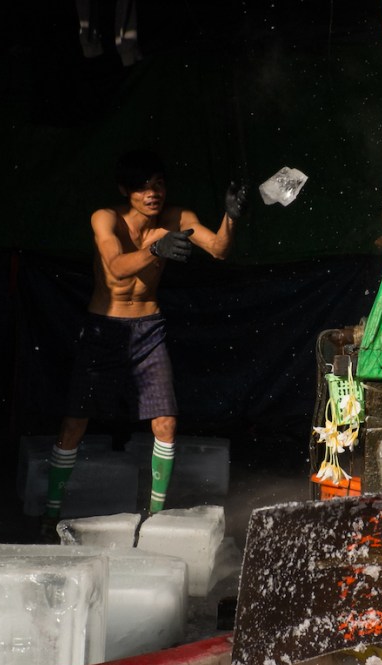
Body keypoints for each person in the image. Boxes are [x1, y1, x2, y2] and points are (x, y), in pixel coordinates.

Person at [43, 149, 245, 529]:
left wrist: (231, 216)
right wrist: (154, 248)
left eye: (158, 184)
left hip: (149, 328)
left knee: (166, 422)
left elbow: (218, 248)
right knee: (74, 423)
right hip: (105, 329)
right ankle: (50, 513)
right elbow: (117, 271)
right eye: (142, 188)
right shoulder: (106, 218)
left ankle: (154, 515)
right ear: (126, 191)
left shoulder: (177, 218)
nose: (153, 194)